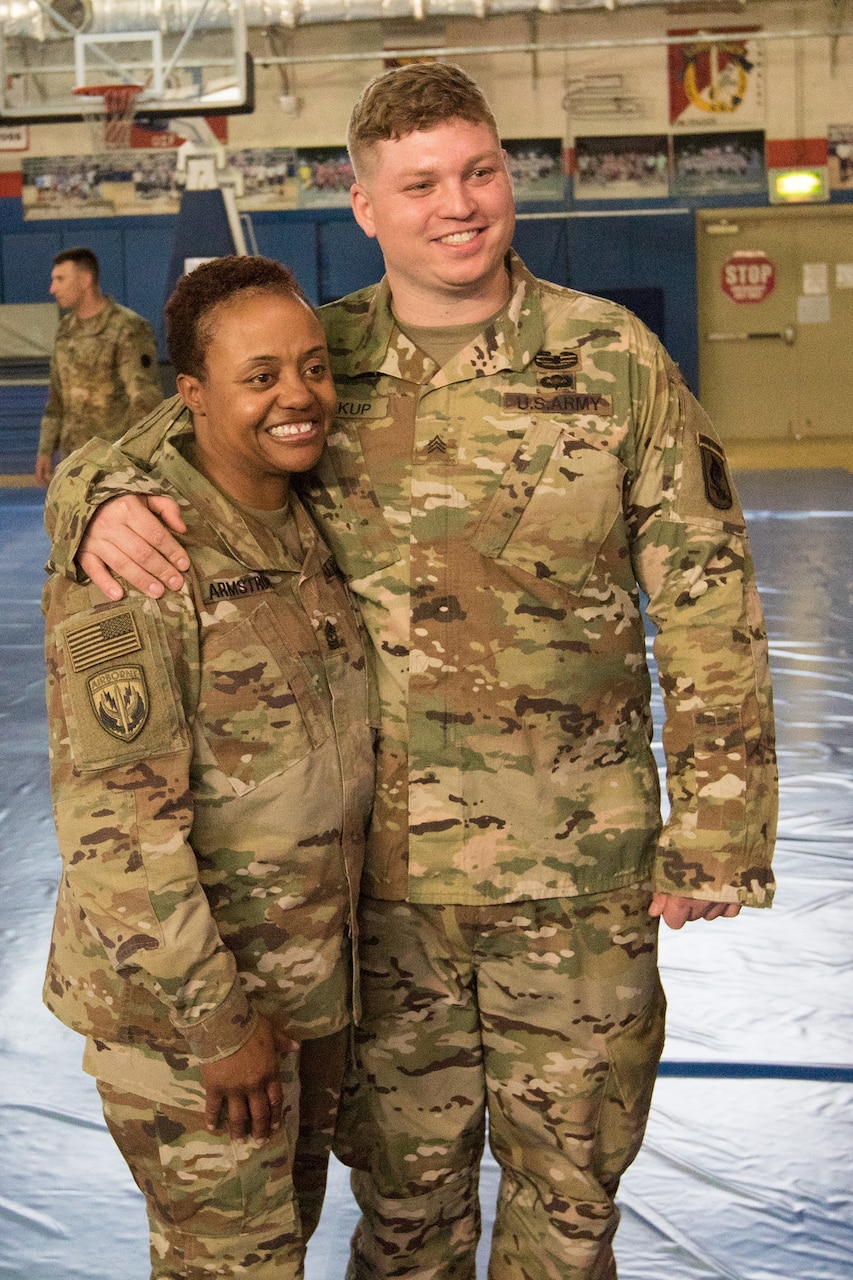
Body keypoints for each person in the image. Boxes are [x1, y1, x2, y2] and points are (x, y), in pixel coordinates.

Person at [44, 64, 777, 1280]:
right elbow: (144, 447)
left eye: (480, 172)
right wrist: (89, 502)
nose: (459, 204)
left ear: (510, 178)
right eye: (421, 182)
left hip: (577, 882)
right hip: (379, 900)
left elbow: (707, 586)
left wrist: (714, 826)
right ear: (364, 204)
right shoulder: (313, 361)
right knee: (405, 1206)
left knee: (573, 1202)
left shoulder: (614, 359)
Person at [42, 255, 375, 1279]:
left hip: (302, 996)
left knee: (275, 1249)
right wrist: (215, 1027)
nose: (298, 395)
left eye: (314, 368)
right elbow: (117, 840)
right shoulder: (142, 556)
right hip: (197, 1024)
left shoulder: (306, 517)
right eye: (261, 373)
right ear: (190, 395)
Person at [35, 246, 163, 486]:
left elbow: (145, 402)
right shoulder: (64, 331)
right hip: (72, 465)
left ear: (85, 280)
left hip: (115, 468)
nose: (53, 289)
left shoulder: (128, 329)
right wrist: (45, 450)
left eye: (60, 279)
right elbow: (56, 401)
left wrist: (140, 465)